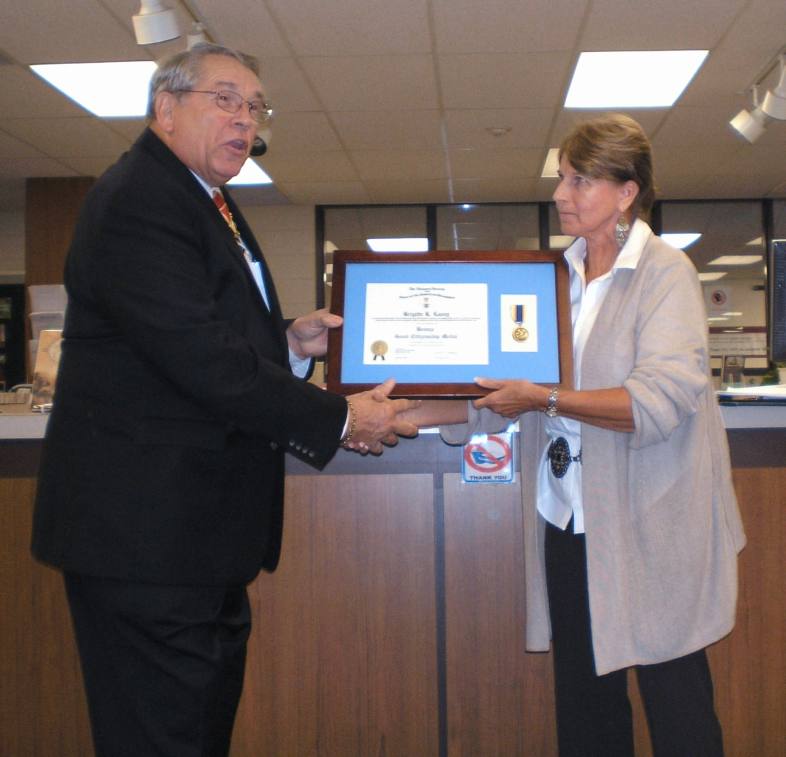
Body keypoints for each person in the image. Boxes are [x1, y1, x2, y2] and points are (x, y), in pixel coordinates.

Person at [31, 42, 417, 757]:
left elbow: (205, 336)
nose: (245, 119)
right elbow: (200, 358)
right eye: (226, 99)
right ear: (165, 107)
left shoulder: (204, 199)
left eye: (255, 106)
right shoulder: (139, 202)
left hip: (190, 541)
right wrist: (340, 416)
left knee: (196, 732)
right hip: (145, 541)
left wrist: (289, 343)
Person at [405, 114, 746, 756]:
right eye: (562, 178)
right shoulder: (555, 279)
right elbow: (502, 395)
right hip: (568, 517)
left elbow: (658, 400)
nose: (561, 194)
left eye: (580, 180)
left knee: (677, 703)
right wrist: (403, 415)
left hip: (653, 519)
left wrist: (547, 397)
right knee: (586, 703)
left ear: (626, 192)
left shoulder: (664, 273)